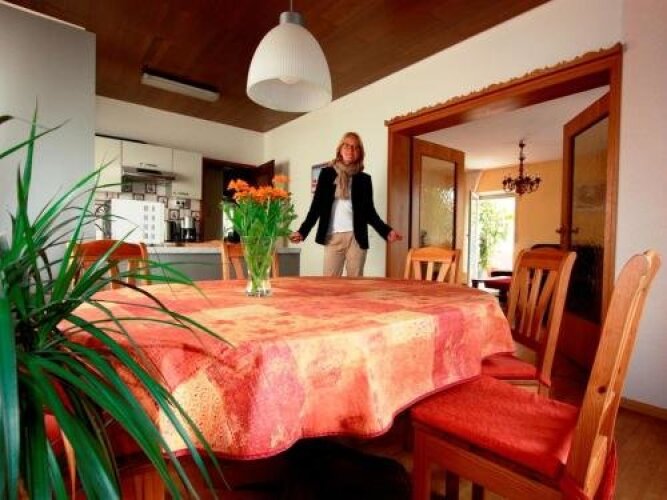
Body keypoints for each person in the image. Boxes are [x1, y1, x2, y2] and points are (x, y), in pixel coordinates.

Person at [289, 132, 402, 277]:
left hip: (356, 238)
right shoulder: (326, 174)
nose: (350, 150)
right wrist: (302, 232)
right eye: (347, 145)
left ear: (359, 152)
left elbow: (369, 212)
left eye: (355, 147)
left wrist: (386, 231)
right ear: (340, 149)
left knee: (355, 285)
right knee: (329, 284)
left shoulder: (364, 180)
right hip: (332, 237)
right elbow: (316, 207)